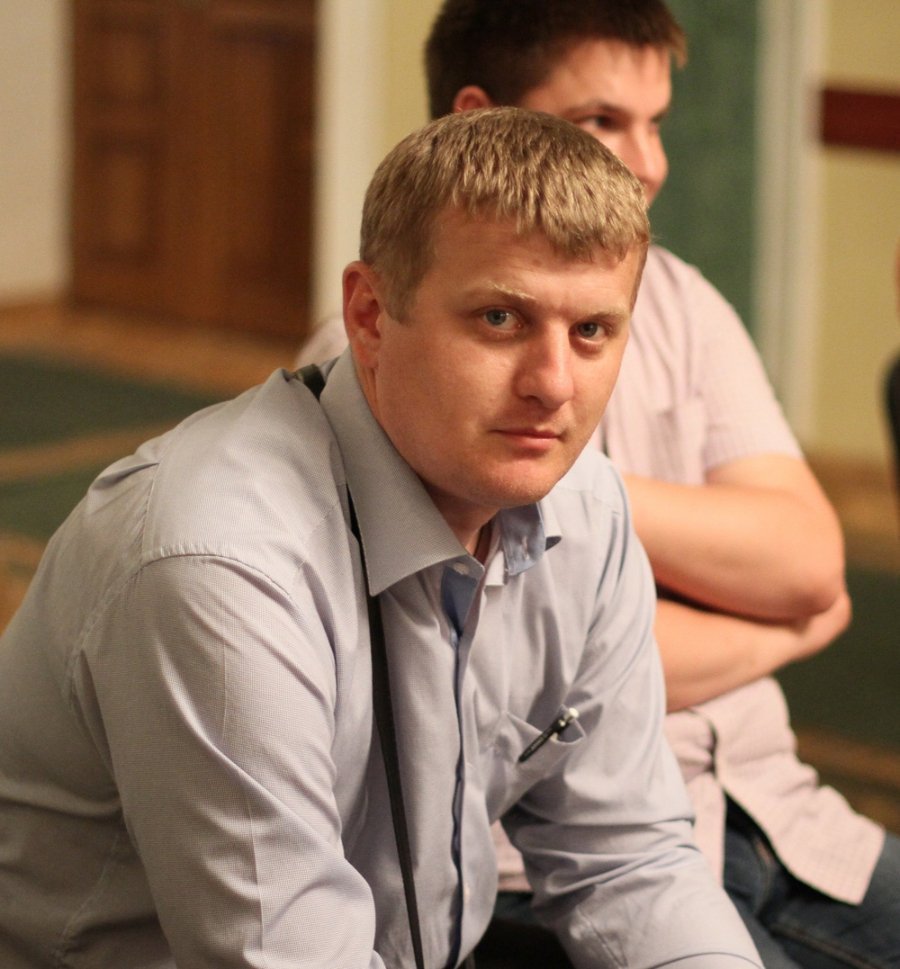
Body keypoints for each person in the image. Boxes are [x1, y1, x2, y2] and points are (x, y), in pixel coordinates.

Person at [0, 108, 761, 968]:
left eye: (592, 330)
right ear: (368, 315)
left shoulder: (585, 505)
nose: (554, 385)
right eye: (500, 319)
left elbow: (631, 860)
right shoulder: (220, 566)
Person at [296, 3, 900, 967]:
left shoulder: (680, 300)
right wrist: (784, 629)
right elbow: (538, 674)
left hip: (770, 807)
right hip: (538, 867)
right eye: (603, 121)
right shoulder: (394, 357)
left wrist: (564, 480)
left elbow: (807, 557)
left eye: (655, 122)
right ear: (480, 122)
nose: (648, 163)